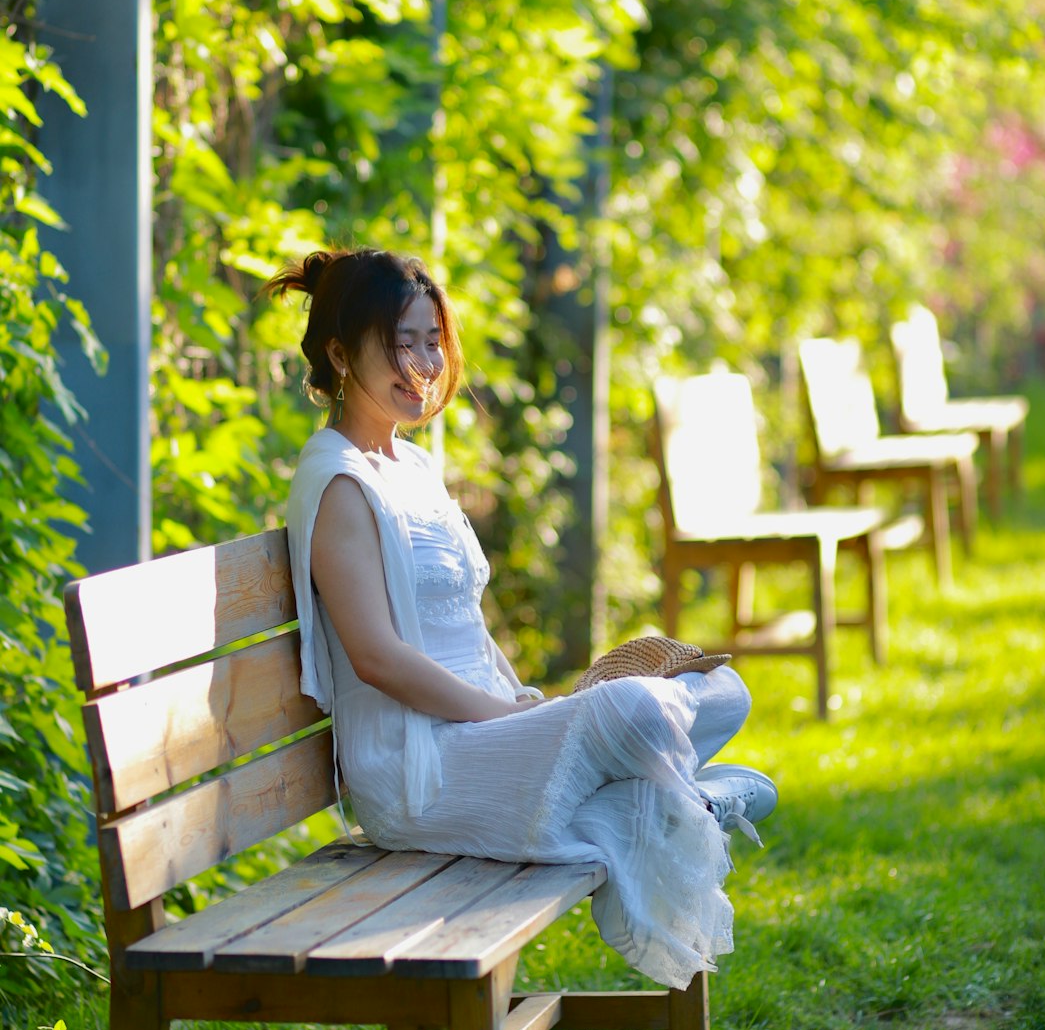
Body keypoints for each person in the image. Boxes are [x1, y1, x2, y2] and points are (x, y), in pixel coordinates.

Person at [271, 246, 776, 991]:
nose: (423, 362)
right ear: (343, 354)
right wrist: (503, 717)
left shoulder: (410, 467)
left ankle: (649, 800)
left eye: (431, 341)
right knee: (638, 711)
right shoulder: (339, 481)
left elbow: (464, 630)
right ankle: (670, 799)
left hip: (484, 732)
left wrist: (529, 706)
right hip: (421, 773)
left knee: (727, 690)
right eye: (400, 344)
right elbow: (375, 656)